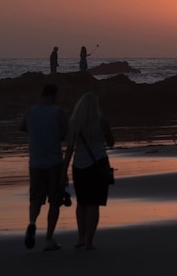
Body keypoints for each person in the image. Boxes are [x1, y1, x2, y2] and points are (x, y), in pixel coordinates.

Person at [20, 84, 69, 250]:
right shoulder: (59, 113)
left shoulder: (30, 111)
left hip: (35, 162)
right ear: (55, 96)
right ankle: (48, 238)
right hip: (54, 162)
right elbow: (66, 134)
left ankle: (32, 223)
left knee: (35, 199)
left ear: (41, 95)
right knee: (55, 201)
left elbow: (22, 127)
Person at [63, 92, 115, 250]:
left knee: (82, 203)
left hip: (78, 165)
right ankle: (89, 241)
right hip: (98, 163)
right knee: (94, 203)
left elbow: (70, 148)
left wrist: (63, 170)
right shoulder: (102, 121)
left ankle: (80, 238)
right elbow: (111, 142)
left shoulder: (74, 122)